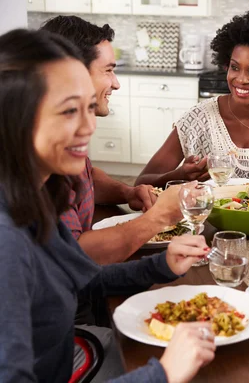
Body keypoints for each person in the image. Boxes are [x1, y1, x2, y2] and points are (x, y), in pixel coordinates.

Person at [0, 28, 215, 383]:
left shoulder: (34, 196)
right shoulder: (7, 242)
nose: (88, 127)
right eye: (69, 111)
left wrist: (161, 265)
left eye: (87, 108)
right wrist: (162, 374)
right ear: (16, 116)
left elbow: (81, 278)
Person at [40, 16, 182, 265]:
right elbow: (75, 255)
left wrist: (127, 192)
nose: (116, 83)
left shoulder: (63, 131)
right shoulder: (42, 154)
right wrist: (158, 218)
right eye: (108, 70)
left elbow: (86, 177)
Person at [135, 10, 249, 187]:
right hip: (204, 215)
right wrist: (181, 175)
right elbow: (140, 185)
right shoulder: (197, 119)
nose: (241, 79)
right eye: (235, 67)